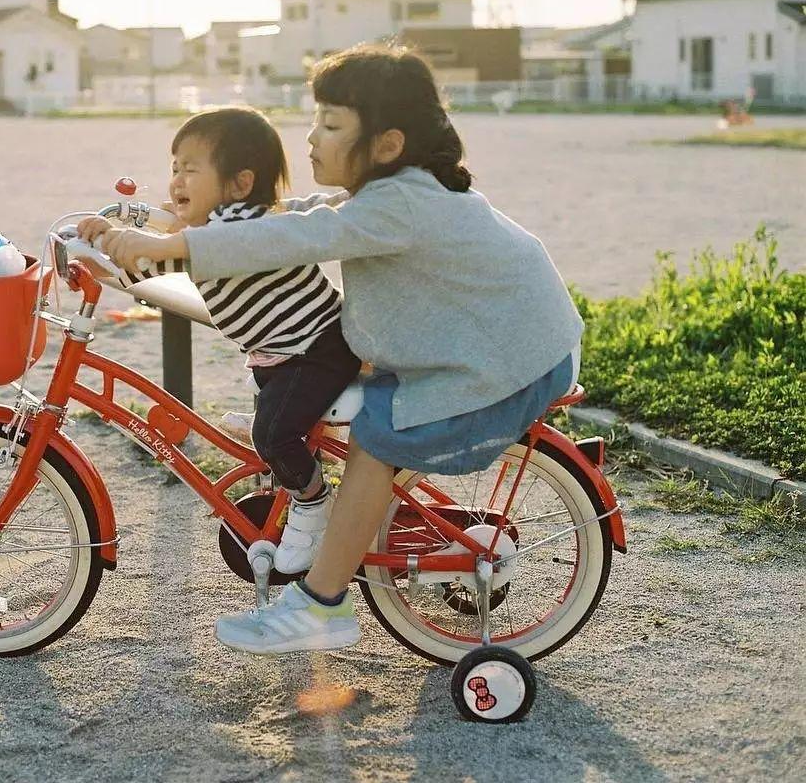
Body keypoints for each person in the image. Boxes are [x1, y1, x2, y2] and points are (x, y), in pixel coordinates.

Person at [95, 46, 584, 655]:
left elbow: (298, 234)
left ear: (385, 144)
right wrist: (165, 230)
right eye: (314, 121)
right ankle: (323, 541)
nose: (310, 139)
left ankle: (321, 606)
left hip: (513, 362)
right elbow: (293, 214)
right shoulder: (392, 193)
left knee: (378, 441)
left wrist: (173, 247)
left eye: (330, 125)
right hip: (494, 345)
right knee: (360, 421)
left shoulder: (399, 202)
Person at [76, 107, 360, 574]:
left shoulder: (237, 230)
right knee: (272, 415)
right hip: (284, 353)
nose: (177, 181)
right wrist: (102, 245)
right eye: (174, 169)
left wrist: (118, 244)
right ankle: (289, 448)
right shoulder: (211, 230)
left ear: (240, 185)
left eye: (191, 169)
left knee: (272, 433)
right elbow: (157, 256)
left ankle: (313, 504)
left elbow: (170, 253)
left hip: (316, 348)